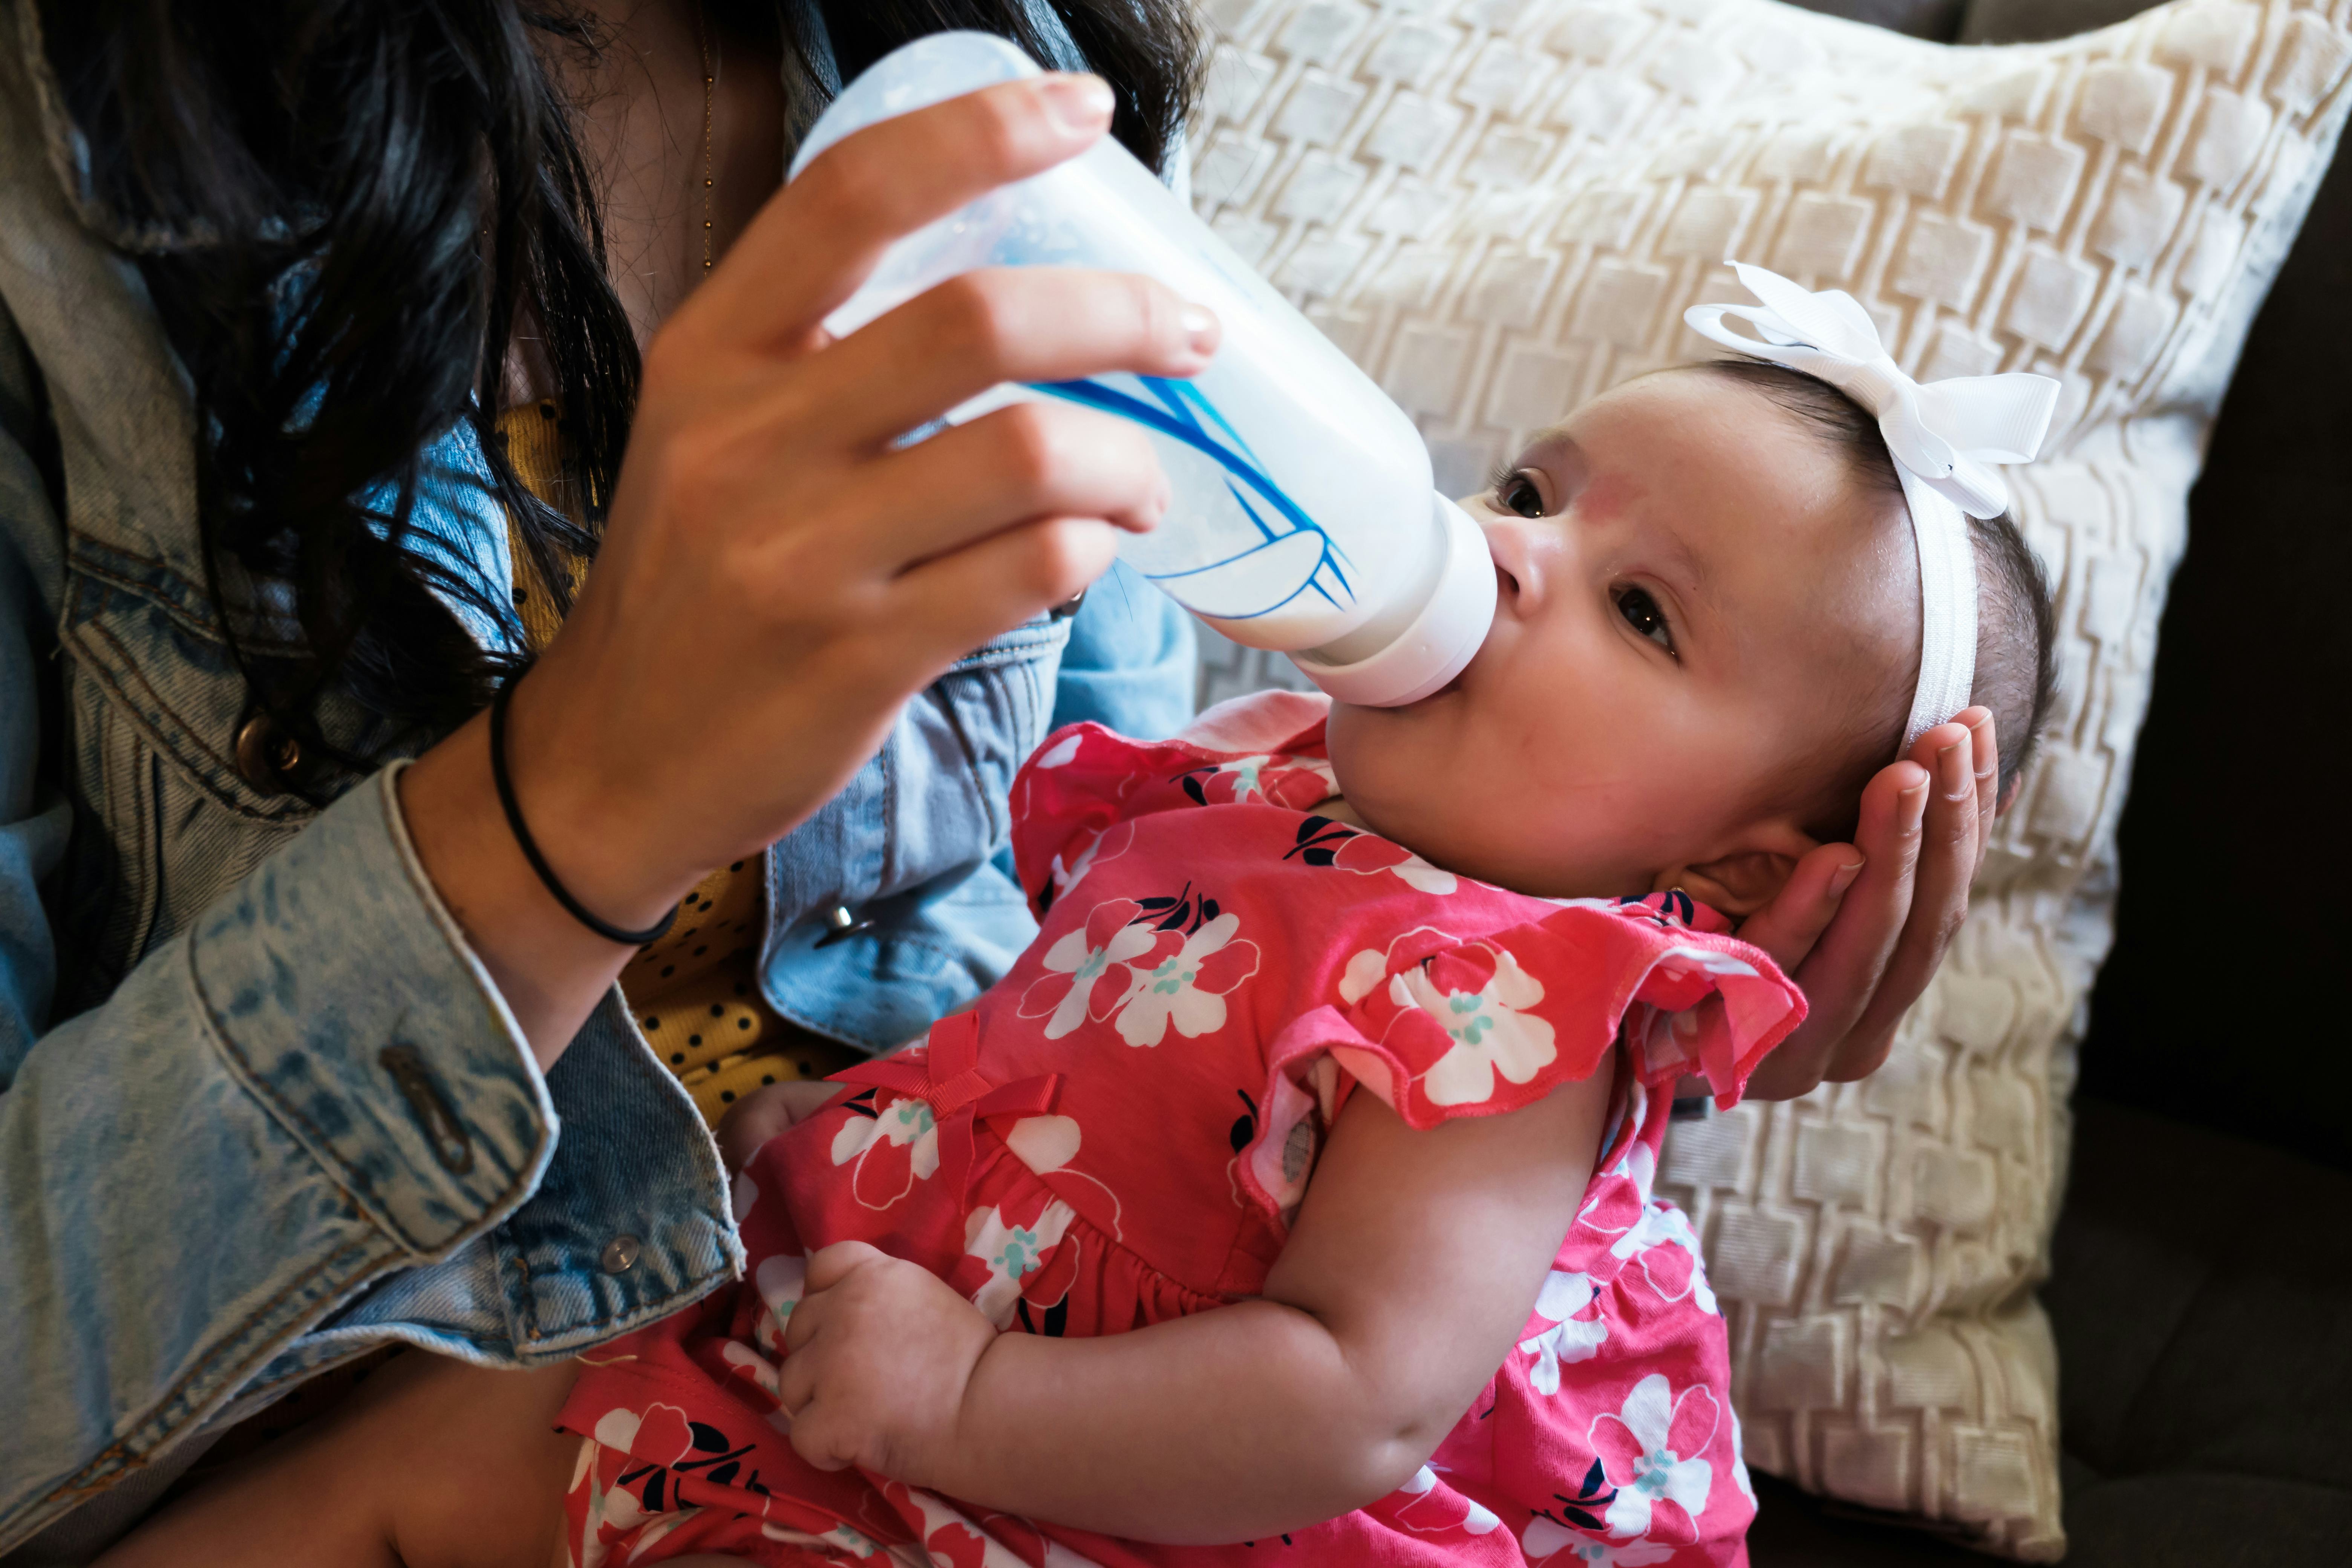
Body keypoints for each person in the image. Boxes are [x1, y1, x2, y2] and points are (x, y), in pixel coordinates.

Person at [0, 0, 1999, 1554]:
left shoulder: (1514, 1006)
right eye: (1536, 491)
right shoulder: (1265, 791)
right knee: (386, 1472)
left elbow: (1359, 1388)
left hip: (1041, 1452)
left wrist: (1626, 1052)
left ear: (1735, 877)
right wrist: (586, 824)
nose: (1510, 554)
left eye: (1643, 612)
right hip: (655, 1334)